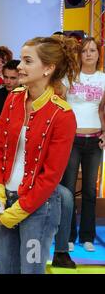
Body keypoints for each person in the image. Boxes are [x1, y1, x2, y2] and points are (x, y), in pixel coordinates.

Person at [0, 35, 79, 274]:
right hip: (5, 200)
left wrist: (17, 212)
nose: (19, 66)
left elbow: (51, 177)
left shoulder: (63, 115)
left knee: (31, 270)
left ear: (48, 68)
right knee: (4, 270)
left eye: (28, 61)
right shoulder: (14, 98)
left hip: (40, 208)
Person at [60, 37, 105, 253]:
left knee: (89, 189)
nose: (88, 54)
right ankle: (68, 236)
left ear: (98, 54)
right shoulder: (69, 78)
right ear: (80, 55)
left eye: (93, 50)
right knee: (67, 189)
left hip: (95, 140)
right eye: (85, 50)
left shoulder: (103, 79)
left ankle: (87, 236)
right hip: (71, 140)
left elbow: (103, 111)